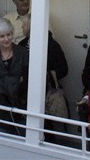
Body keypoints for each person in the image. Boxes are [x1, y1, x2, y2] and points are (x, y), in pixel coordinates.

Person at [18, 14, 68, 142]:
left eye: (24, 25)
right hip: (26, 92)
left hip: (46, 94)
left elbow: (64, 68)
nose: (22, 27)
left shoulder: (51, 44)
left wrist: (49, 74)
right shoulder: (22, 44)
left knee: (46, 126)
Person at [0, 18, 29, 134]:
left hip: (22, 106)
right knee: (4, 140)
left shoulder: (23, 52)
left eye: (9, 34)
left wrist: (1, 83)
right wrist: (16, 81)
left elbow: (27, 82)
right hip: (1, 108)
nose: (7, 39)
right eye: (2, 36)